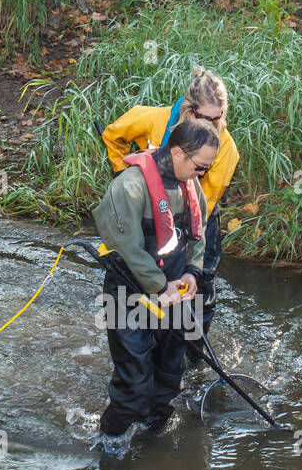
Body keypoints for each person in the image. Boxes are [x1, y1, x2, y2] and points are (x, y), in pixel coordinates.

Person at [93, 117, 219, 437]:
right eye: (201, 167)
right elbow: (127, 248)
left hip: (175, 293)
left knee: (167, 382)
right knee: (134, 390)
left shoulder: (190, 183)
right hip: (129, 296)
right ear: (178, 153)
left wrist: (192, 273)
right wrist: (159, 287)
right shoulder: (129, 186)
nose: (203, 173)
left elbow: (198, 234)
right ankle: (108, 445)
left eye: (207, 167)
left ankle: (152, 443)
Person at [101, 66, 238, 355]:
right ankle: (141, 339)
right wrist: (122, 176)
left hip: (193, 215)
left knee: (199, 284)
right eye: (206, 119)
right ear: (189, 110)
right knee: (137, 273)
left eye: (219, 119)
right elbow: (113, 135)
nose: (213, 126)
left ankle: (189, 355)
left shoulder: (226, 149)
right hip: (148, 210)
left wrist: (186, 264)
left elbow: (203, 207)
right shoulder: (153, 118)